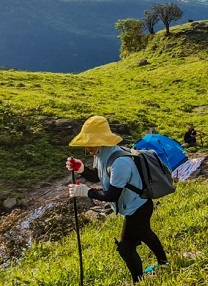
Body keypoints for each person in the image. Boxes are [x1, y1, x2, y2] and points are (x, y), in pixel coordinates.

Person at [66, 116, 168, 283]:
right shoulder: (101, 153)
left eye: (92, 140)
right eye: (87, 141)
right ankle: (164, 263)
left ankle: (138, 281)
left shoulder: (119, 162)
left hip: (138, 208)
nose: (88, 145)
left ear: (102, 139)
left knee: (126, 248)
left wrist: (86, 192)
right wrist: (82, 169)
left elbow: (112, 195)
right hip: (137, 204)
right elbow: (99, 176)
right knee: (144, 233)